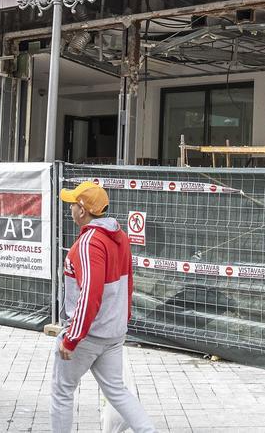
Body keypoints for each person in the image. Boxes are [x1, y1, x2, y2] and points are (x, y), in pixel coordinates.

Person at [51, 181, 156, 433]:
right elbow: (127, 283)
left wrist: (72, 338)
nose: (70, 209)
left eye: (72, 204)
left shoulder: (89, 243)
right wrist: (123, 320)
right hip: (113, 332)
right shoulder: (120, 237)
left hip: (88, 334)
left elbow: (90, 292)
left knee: (62, 392)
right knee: (117, 391)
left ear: (83, 209)